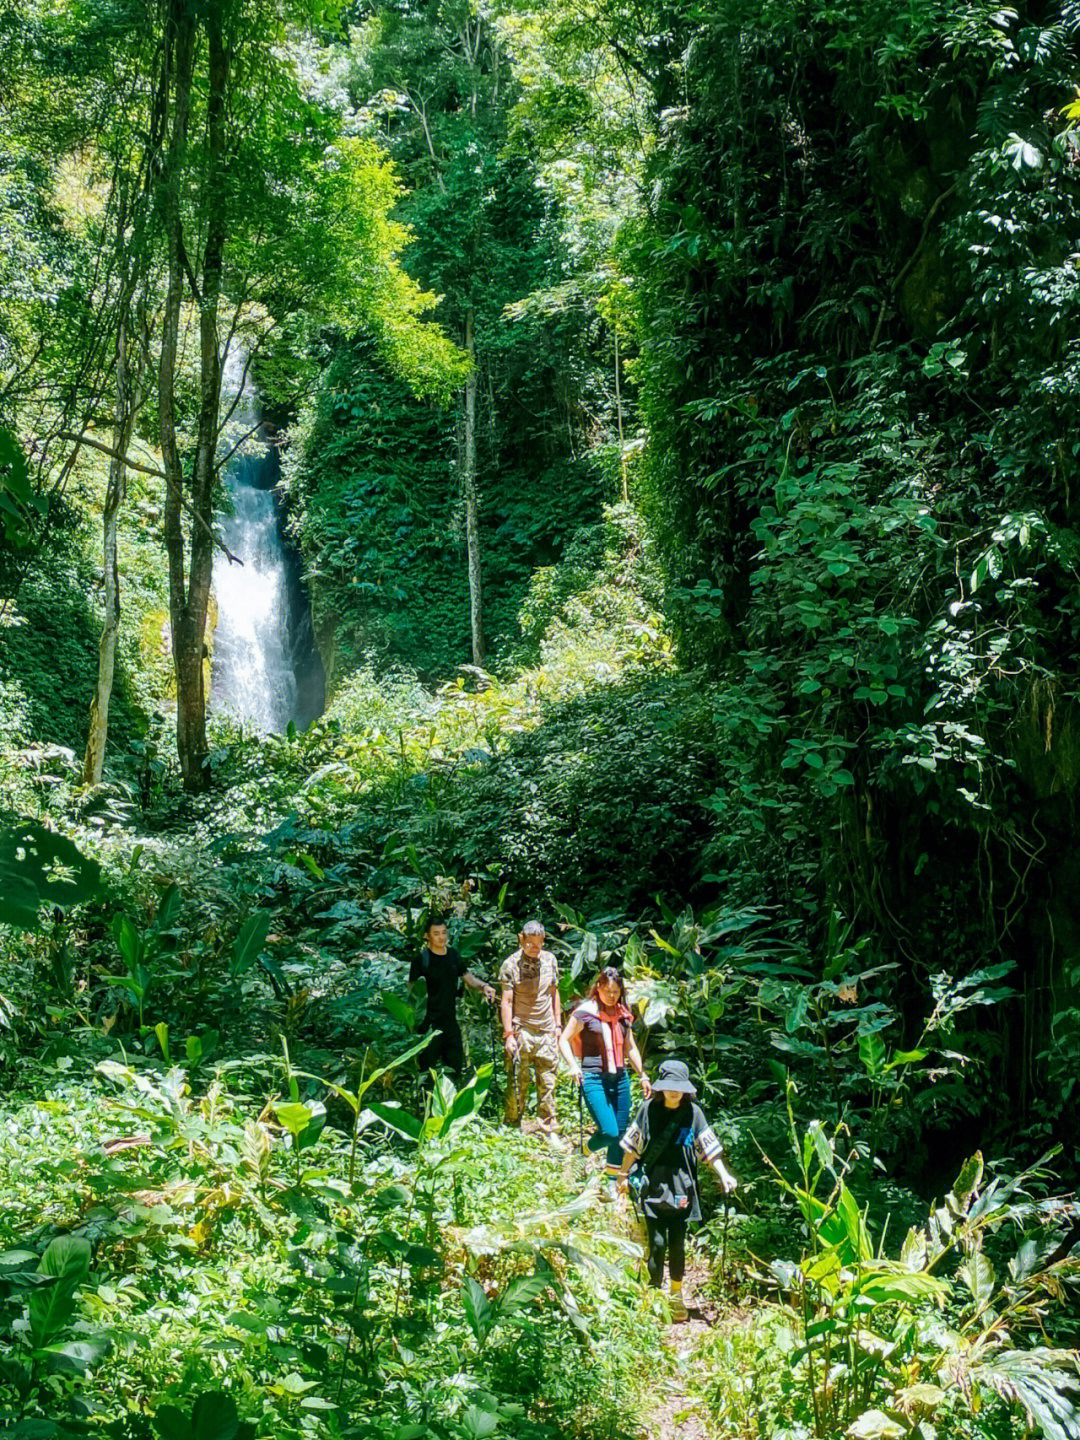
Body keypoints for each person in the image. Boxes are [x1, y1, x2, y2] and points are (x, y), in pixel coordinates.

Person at [616, 1058, 737, 1322]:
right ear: (661, 1087)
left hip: (683, 1189)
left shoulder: (693, 1113)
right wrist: (623, 1175)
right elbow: (634, 1145)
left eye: (678, 1087)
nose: (673, 1091)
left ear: (686, 1089)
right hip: (653, 1187)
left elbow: (708, 1148)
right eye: (669, 1086)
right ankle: (653, 1296)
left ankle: (676, 1296)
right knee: (657, 1244)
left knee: (677, 1244)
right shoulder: (647, 1110)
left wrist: (725, 1175)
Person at [559, 966, 650, 1201]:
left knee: (621, 1134)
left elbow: (630, 1047)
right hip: (593, 1077)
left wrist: (642, 1075)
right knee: (609, 1131)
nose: (611, 996)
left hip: (620, 1078)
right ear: (598, 988)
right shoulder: (585, 1013)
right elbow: (564, 1039)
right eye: (608, 990)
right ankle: (583, 1151)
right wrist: (572, 1066)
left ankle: (611, 1183)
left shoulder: (623, 1014)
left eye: (616, 991)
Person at [409, 915, 496, 1077]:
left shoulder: (453, 955)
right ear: (427, 936)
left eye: (444, 932)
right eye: (436, 933)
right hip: (428, 1025)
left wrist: (484, 987)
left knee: (455, 1070)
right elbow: (412, 994)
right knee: (426, 1073)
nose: (441, 937)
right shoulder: (421, 961)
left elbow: (468, 979)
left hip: (450, 1023)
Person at [498, 920, 562, 1136]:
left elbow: (554, 993)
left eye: (539, 944)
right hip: (522, 1029)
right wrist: (508, 1035)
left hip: (546, 1030)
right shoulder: (510, 965)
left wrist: (558, 1025)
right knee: (518, 1082)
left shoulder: (550, 960)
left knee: (548, 1082)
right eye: (530, 944)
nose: (535, 949)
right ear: (521, 939)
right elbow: (506, 1002)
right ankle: (513, 1126)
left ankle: (548, 1128)